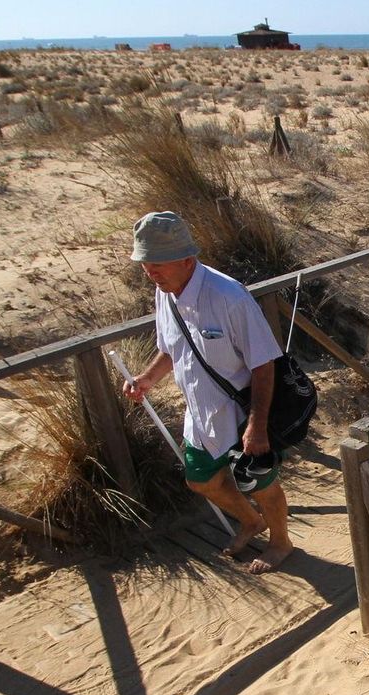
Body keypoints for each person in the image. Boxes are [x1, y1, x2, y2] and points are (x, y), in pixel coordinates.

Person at [120, 211, 294, 574]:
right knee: (200, 480)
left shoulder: (228, 296)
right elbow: (171, 348)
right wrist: (148, 378)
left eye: (158, 265)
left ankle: (281, 542)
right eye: (145, 264)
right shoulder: (164, 291)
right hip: (198, 412)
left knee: (262, 484)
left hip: (240, 411)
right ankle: (251, 521)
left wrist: (257, 426)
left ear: (187, 259)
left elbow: (264, 362)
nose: (151, 273)